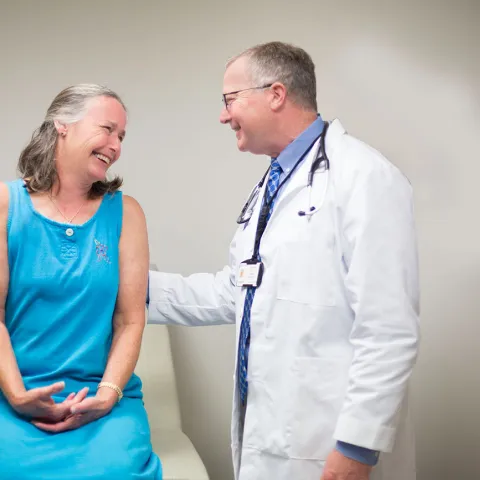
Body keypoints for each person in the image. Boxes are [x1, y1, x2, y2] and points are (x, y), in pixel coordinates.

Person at [147, 42, 419, 480]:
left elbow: (388, 328)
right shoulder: (275, 184)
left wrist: (357, 447)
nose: (223, 115)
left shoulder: (365, 177)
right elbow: (238, 291)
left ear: (275, 94)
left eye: (229, 100)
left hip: (328, 441)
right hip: (273, 430)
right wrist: (124, 284)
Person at [0, 84, 162, 479]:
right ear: (62, 125)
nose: (115, 145)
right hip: (12, 391)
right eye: (107, 129)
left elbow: (129, 320)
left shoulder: (126, 213)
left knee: (118, 469)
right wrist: (18, 396)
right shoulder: (6, 205)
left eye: (121, 136)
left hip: (99, 396)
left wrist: (108, 396)